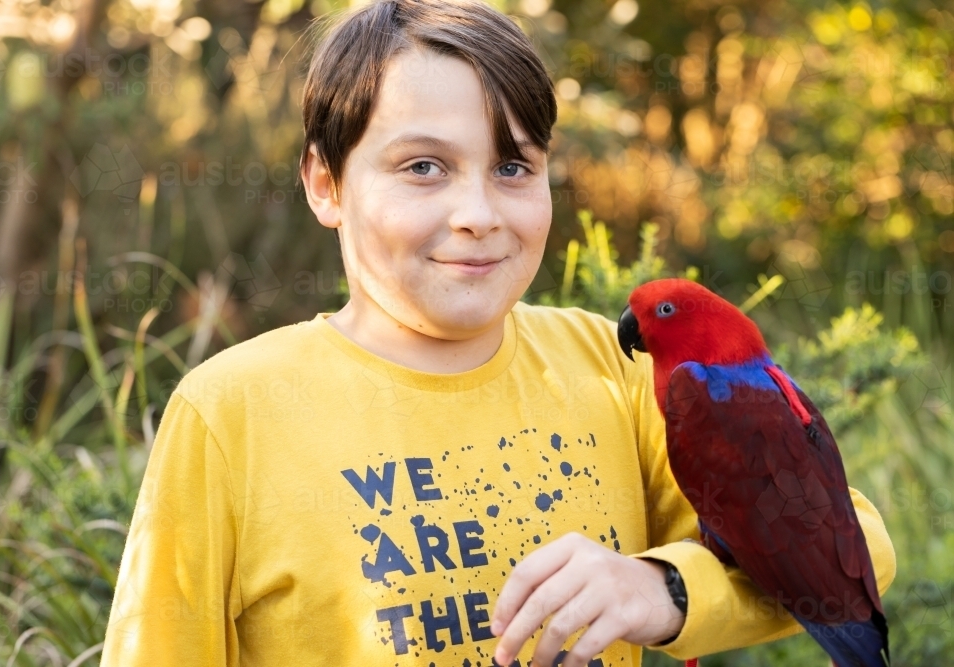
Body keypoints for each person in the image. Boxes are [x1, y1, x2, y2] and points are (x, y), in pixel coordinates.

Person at [100, 0, 896, 665]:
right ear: (325, 182)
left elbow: (857, 541)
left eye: (513, 166)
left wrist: (665, 587)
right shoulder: (231, 411)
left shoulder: (617, 376)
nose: (478, 215)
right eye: (423, 167)